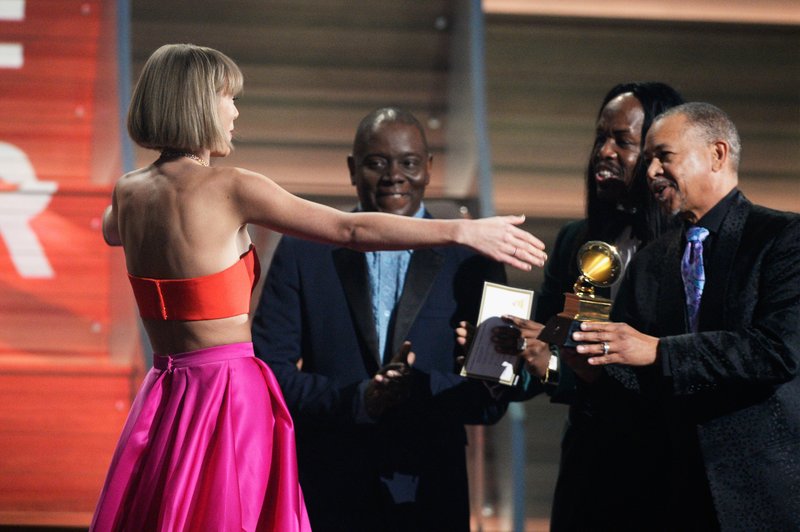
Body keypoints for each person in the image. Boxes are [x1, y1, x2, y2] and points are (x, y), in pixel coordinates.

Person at [92, 45, 547, 531]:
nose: (235, 113)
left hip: (168, 390)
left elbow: (111, 231)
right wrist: (461, 229)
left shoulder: (128, 193)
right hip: (226, 393)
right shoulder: (233, 187)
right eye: (228, 98)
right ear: (197, 104)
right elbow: (349, 230)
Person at [251, 106, 513, 532]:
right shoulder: (304, 249)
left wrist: (420, 389)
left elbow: (492, 399)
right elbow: (268, 375)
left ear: (429, 168)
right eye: (377, 163)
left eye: (408, 163)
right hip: (330, 485)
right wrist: (358, 400)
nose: (394, 176)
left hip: (432, 487)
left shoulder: (472, 258)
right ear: (352, 169)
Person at [457, 82, 684, 529]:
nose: (604, 152)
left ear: (659, 154)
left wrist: (555, 365)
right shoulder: (577, 241)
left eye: (621, 141)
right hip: (589, 468)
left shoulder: (689, 249)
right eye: (600, 138)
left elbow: (673, 367)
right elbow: (553, 340)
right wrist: (497, 355)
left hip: (666, 468)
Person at [572, 102, 800, 529]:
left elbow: (778, 351)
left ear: (717, 154)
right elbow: (637, 384)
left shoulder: (783, 238)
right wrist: (595, 372)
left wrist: (660, 351)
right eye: (648, 160)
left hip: (763, 493)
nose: (651, 172)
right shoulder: (651, 261)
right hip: (669, 494)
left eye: (664, 156)